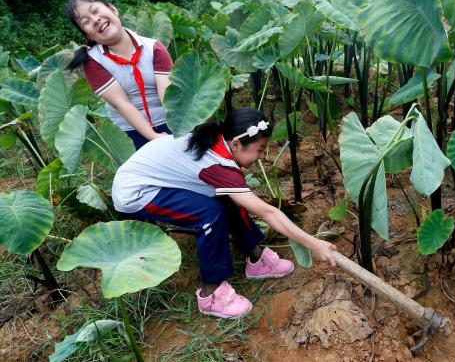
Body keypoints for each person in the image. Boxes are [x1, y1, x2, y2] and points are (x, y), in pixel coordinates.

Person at [111, 107, 336, 319]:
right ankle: (212, 293)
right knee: (209, 214)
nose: (261, 156)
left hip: (161, 179)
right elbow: (268, 213)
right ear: (236, 144)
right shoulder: (219, 165)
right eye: (259, 150)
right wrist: (313, 243)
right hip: (137, 191)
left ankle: (256, 259)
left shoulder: (221, 142)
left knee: (231, 199)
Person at [65, 0, 172, 150]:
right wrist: (153, 137)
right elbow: (122, 103)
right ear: (88, 35)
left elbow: (167, 97)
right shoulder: (93, 61)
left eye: (95, 11)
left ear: (113, 9)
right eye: (85, 22)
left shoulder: (154, 48)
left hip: (169, 121)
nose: (95, 20)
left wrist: (175, 134)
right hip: (130, 132)